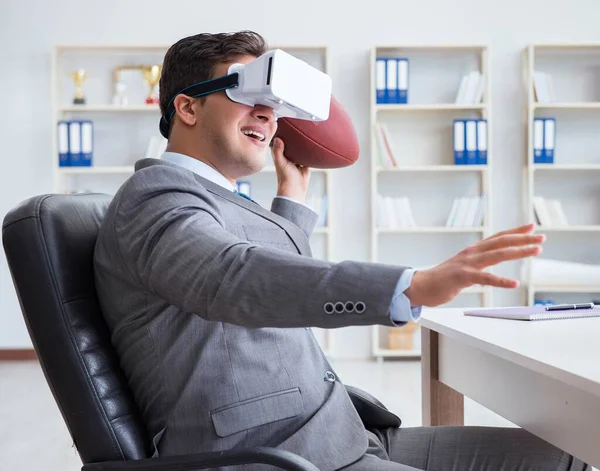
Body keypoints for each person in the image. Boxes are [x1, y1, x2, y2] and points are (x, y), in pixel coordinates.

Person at [93, 31, 588, 471]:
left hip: (340, 433)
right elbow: (232, 277)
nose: (268, 114)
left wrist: (291, 200)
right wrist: (410, 285)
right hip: (276, 455)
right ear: (188, 107)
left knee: (566, 454)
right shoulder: (155, 198)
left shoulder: (214, 200)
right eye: (246, 93)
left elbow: (264, 280)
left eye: (273, 101)